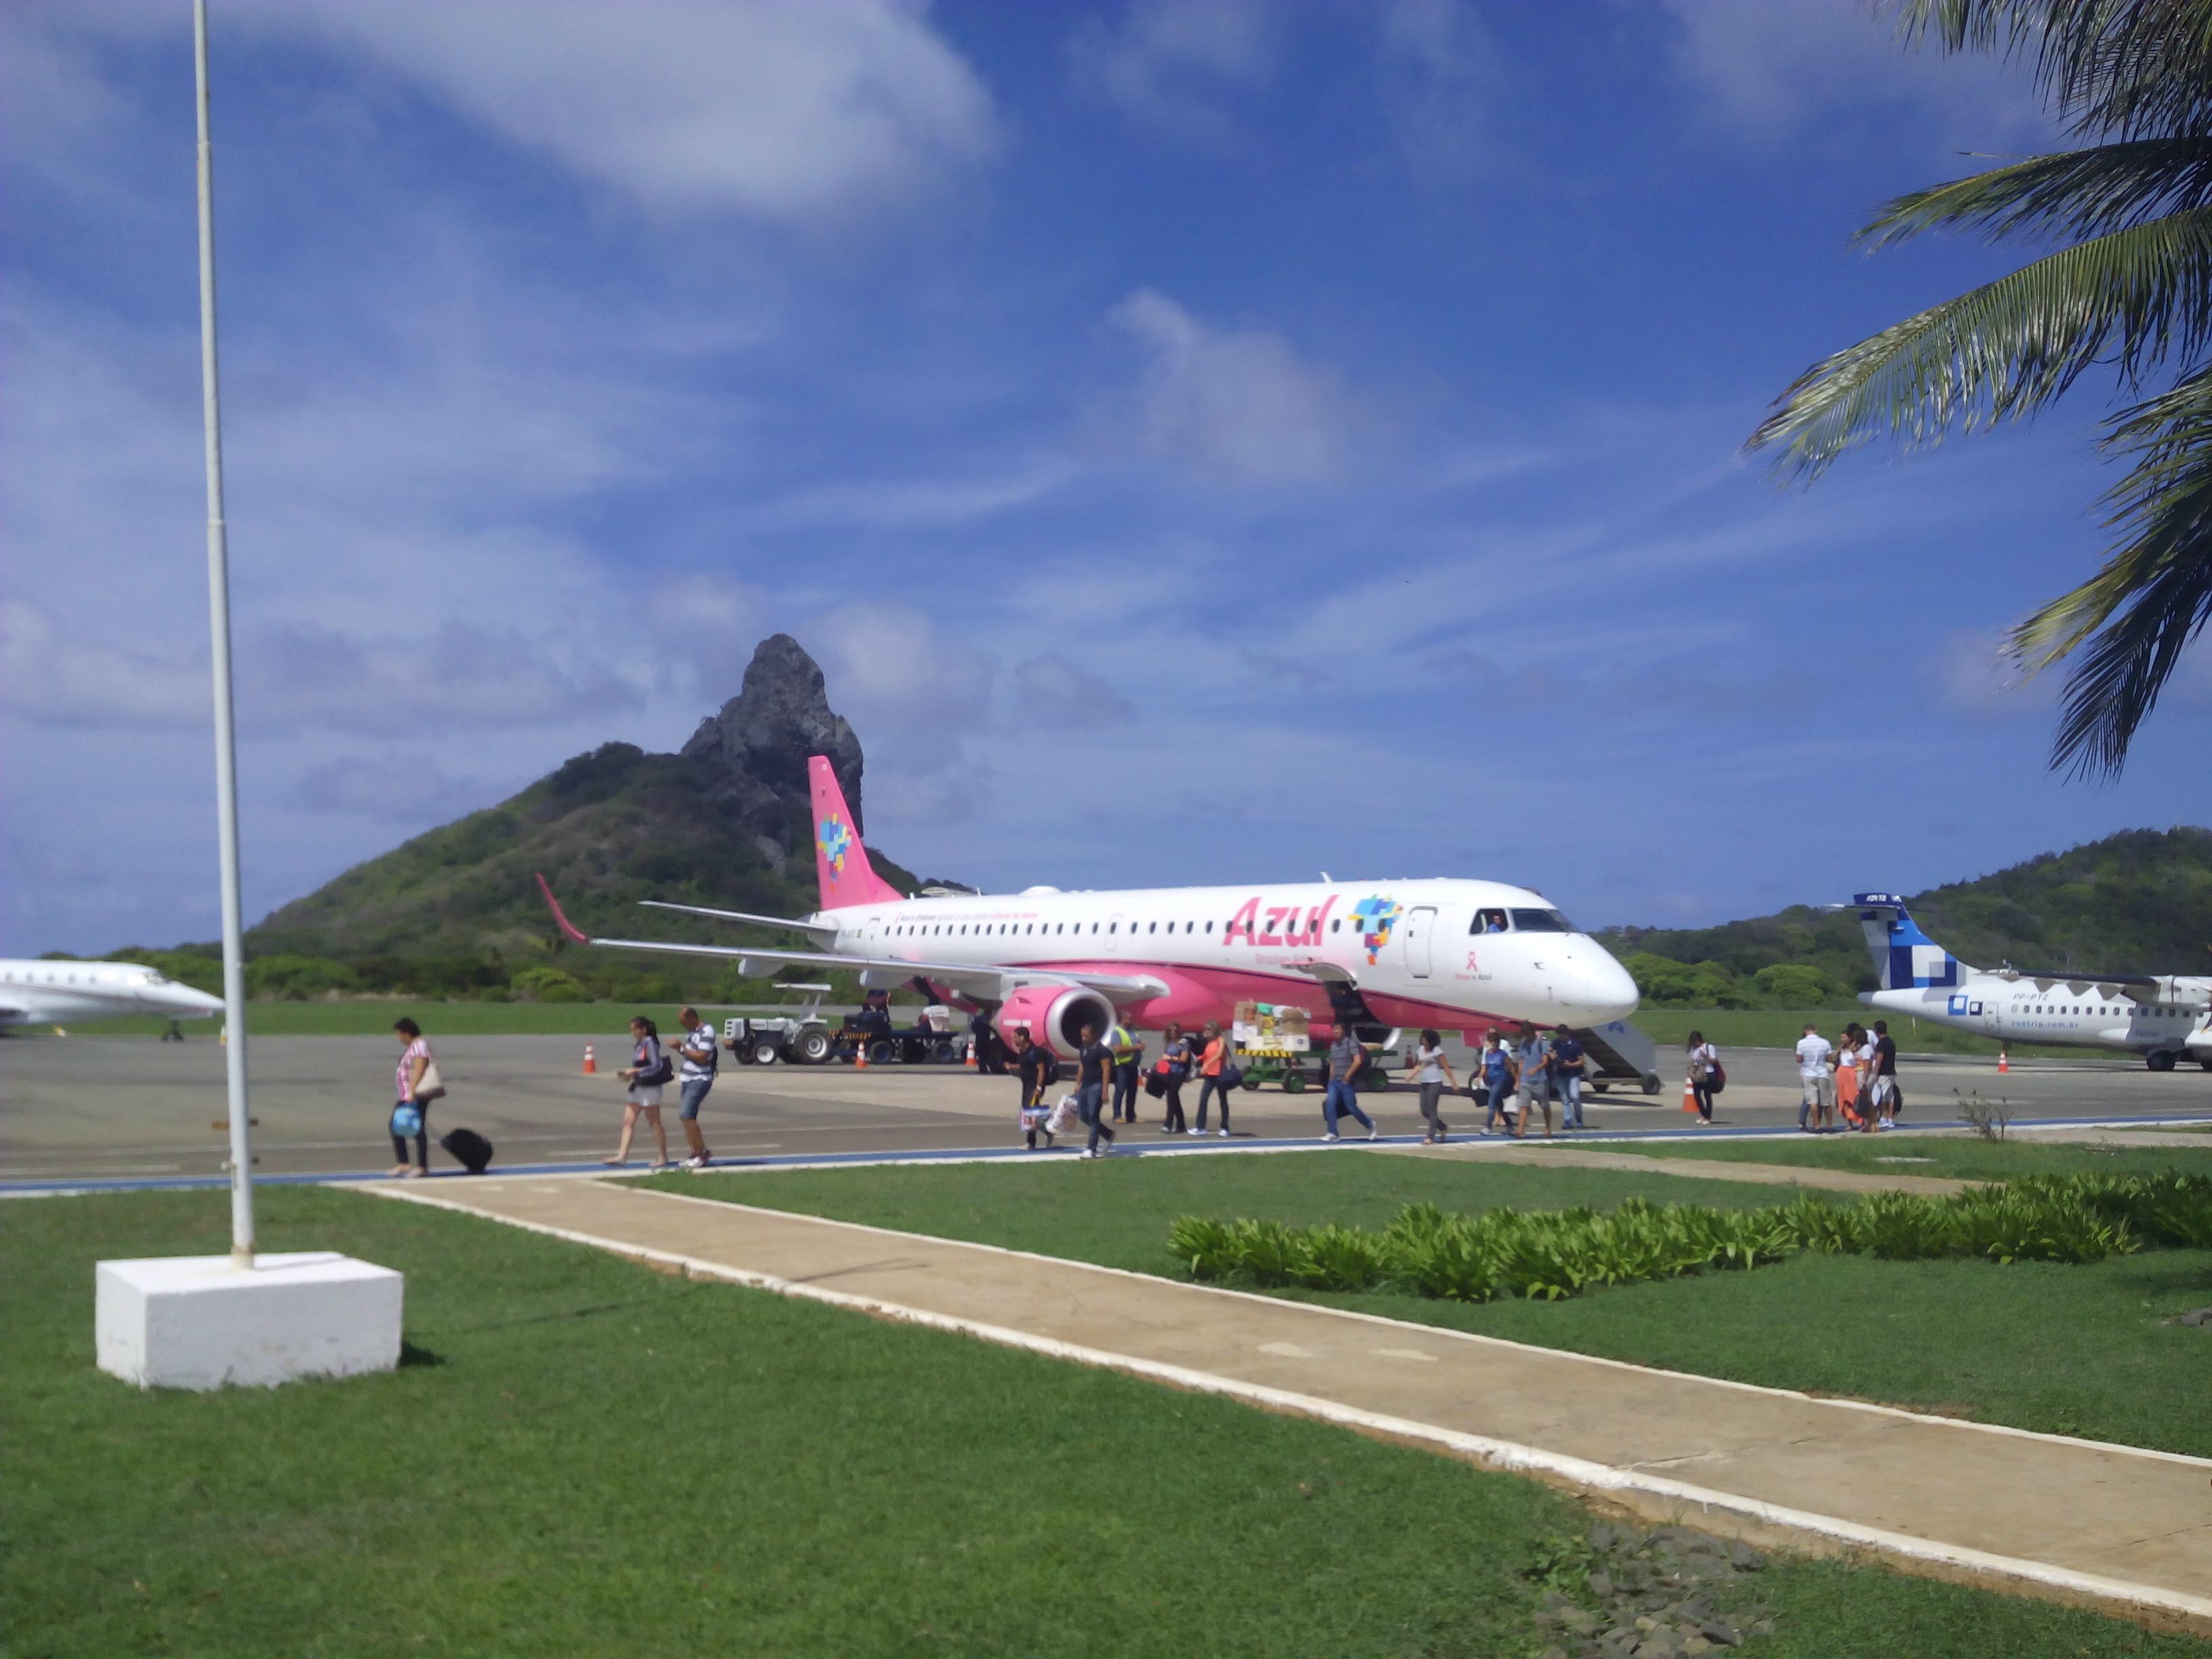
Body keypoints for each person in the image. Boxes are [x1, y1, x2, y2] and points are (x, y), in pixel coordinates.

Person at [605, 1015, 674, 1170]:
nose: (633, 1033)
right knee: (628, 1121)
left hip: (650, 1088)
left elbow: (656, 1066)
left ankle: (662, 1156)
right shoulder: (639, 1045)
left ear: (643, 1029)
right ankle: (621, 1156)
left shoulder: (650, 1044)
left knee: (654, 1122)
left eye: (635, 1029)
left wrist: (636, 1070)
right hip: (638, 1086)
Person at [671, 1006, 718, 1169]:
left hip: (699, 1079)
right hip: (688, 1078)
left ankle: (702, 1152)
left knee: (687, 1115)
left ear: (692, 1018)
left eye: (685, 1023)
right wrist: (683, 1050)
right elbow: (692, 1055)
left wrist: (681, 1048)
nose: (684, 1027)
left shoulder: (707, 1032)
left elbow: (702, 1057)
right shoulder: (693, 1033)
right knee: (686, 1117)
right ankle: (695, 1152)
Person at [389, 1017, 436, 1178]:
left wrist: (412, 1092)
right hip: (407, 1094)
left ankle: (422, 1167)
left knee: (416, 1128)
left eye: (399, 1034)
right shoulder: (414, 1046)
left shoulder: (419, 1045)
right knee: (399, 1126)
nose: (399, 1038)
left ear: (407, 1033)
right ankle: (404, 1163)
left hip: (414, 1095)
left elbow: (419, 1069)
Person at [1321, 1023, 1377, 1141]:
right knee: (1330, 1106)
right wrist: (1330, 1079)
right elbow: (1332, 1062)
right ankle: (1333, 1133)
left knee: (1351, 1107)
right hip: (1334, 1082)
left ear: (1344, 1031)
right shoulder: (1333, 1046)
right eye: (1334, 1029)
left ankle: (1369, 1124)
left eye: (1338, 1029)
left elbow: (1358, 1060)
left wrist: (1348, 1075)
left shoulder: (1350, 1043)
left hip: (1346, 1082)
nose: (1336, 1031)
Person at [1405, 1027, 1458, 1143]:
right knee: (1424, 1111)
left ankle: (1430, 1137)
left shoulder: (1437, 1051)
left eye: (1426, 1038)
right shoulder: (1420, 1050)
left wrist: (1454, 1083)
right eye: (1422, 1038)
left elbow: (1446, 1067)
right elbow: (1419, 1066)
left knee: (1432, 1110)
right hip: (1424, 1082)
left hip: (1435, 1082)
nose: (1424, 1040)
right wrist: (1411, 1076)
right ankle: (1442, 1127)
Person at [1011, 1026, 1058, 1149]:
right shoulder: (1023, 1052)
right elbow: (1024, 1066)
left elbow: (1041, 1070)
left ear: (1022, 1037)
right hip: (1026, 1086)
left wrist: (1038, 1088)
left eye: (1015, 1037)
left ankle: (1031, 1142)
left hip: (1034, 1087)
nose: (1014, 1040)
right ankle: (1048, 1131)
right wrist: (1011, 1066)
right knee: (1031, 1113)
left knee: (1030, 1113)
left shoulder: (1035, 1052)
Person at [1074, 1022, 1116, 1158]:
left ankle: (1091, 1148)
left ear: (1094, 1035)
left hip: (1096, 1085)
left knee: (1093, 1116)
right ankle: (1107, 1134)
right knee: (1083, 1115)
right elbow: (1082, 1065)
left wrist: (1105, 1090)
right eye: (1082, 1036)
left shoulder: (1103, 1051)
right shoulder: (1083, 1048)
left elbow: (1106, 1070)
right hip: (1085, 1084)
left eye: (1086, 1036)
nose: (1083, 1039)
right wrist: (1078, 1082)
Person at [1513, 1022, 1554, 1139]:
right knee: (1524, 1105)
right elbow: (1521, 1062)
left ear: (1532, 1031)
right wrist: (1518, 1079)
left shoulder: (1542, 1044)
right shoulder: (1524, 1044)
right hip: (1526, 1080)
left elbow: (1545, 1061)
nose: (1527, 1036)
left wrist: (1535, 1069)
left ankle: (1548, 1128)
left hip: (1540, 1080)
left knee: (1545, 1106)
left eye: (1528, 1034)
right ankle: (1520, 1129)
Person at [1193, 1019, 1233, 1136]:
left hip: (1219, 1074)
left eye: (1209, 1029)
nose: (1206, 1031)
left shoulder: (1220, 1040)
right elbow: (1207, 1055)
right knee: (1203, 1099)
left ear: (1214, 1030)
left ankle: (1225, 1128)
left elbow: (1219, 1054)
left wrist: (1206, 1064)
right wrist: (1200, 1059)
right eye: (1205, 1029)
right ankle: (1201, 1127)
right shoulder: (1209, 1042)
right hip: (1210, 1075)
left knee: (1223, 1100)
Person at [1795, 1021, 1835, 1133]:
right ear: (1815, 1030)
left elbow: (1799, 1059)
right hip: (1822, 1072)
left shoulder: (1801, 1043)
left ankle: (1817, 1125)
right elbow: (1830, 1058)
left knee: (1813, 1102)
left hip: (1809, 1073)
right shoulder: (1825, 1042)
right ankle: (1830, 1125)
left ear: (1805, 1031)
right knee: (1826, 1102)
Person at [1158, 1021, 1193, 1134]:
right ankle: (1181, 1124)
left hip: (1179, 1073)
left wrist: (1170, 1058)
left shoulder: (1183, 1043)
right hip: (1169, 1072)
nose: (1173, 1033)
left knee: (1171, 1096)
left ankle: (1168, 1124)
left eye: (1175, 1031)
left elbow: (1184, 1059)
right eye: (1171, 1030)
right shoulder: (1169, 1043)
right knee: (1174, 1098)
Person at [1550, 1026, 1587, 1130]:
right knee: (1565, 1098)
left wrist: (1570, 1064)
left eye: (1563, 1034)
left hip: (1574, 1073)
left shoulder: (1576, 1044)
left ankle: (1579, 1119)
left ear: (1568, 1033)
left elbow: (1581, 1061)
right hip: (1562, 1073)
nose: (1561, 1036)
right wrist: (1552, 1056)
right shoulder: (1556, 1043)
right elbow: (1551, 1050)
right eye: (1560, 1034)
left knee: (1575, 1096)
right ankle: (1568, 1120)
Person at [1479, 1031, 1515, 1136]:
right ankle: (1510, 1125)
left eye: (1495, 1042)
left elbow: (1511, 1067)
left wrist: (1516, 1080)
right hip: (1491, 1080)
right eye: (1492, 1042)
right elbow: (1485, 1067)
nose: (1493, 1044)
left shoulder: (1502, 1054)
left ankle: (1488, 1127)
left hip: (1500, 1080)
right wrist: (1480, 1077)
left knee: (1491, 1103)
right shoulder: (1487, 1054)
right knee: (1499, 1104)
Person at [1868, 1019, 1900, 1129]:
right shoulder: (1891, 1042)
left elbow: (1879, 1059)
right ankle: (1890, 1119)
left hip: (1883, 1073)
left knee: (1880, 1097)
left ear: (1876, 1031)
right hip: (1891, 1072)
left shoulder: (1881, 1043)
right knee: (1890, 1097)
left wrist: (1876, 1073)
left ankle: (1883, 1118)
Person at [1110, 1023, 1143, 1124]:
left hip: (1133, 1066)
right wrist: (1136, 1048)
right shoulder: (1117, 1032)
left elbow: (1139, 1044)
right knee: (1120, 1091)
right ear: (1123, 1020)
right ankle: (1117, 1115)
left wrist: (1141, 1046)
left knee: (1132, 1092)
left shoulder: (1133, 1032)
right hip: (1123, 1066)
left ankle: (1131, 1115)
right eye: (1128, 1018)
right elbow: (1118, 1049)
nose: (1131, 1020)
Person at [1835, 1023, 1865, 1129]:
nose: (1842, 1040)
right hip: (1841, 1072)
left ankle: (1861, 1120)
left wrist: (1853, 1041)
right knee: (1844, 1099)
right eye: (1841, 1038)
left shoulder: (1855, 1047)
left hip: (1851, 1072)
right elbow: (1834, 1056)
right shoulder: (1841, 1048)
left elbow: (1854, 1050)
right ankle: (1849, 1123)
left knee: (1853, 1097)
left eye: (1844, 1037)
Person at [1685, 1030, 1719, 1124]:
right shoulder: (1695, 1050)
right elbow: (1695, 1062)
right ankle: (1703, 1114)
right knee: (1696, 1095)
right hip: (1698, 1075)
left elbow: (1714, 1061)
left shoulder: (1709, 1047)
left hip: (1709, 1073)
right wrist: (1691, 1072)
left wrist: (1706, 1056)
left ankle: (1708, 1116)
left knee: (1707, 1095)